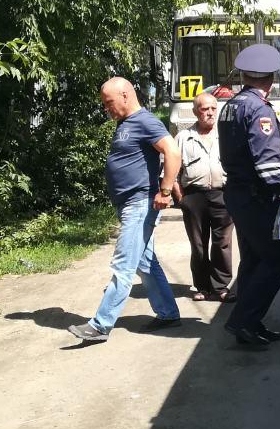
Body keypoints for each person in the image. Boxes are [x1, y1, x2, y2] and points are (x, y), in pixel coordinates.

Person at [68, 77, 182, 343]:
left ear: (125, 95)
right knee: (145, 263)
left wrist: (165, 191)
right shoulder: (126, 124)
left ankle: (100, 325)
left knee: (124, 264)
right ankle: (168, 313)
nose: (107, 109)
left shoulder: (145, 121)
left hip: (140, 203)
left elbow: (172, 151)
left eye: (109, 103)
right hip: (129, 202)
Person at [218, 45, 280, 348]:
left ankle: (248, 323)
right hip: (256, 198)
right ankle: (244, 321)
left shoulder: (231, 105)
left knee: (255, 259)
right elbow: (266, 161)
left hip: (238, 195)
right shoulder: (259, 109)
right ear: (272, 77)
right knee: (278, 258)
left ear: (243, 75)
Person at [170, 93, 234, 302]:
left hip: (222, 194)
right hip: (194, 196)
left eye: (213, 109)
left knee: (222, 243)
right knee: (198, 245)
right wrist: (180, 197)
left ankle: (220, 286)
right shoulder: (183, 137)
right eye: (205, 109)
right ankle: (202, 286)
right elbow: (171, 170)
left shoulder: (226, 135)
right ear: (196, 112)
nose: (210, 113)